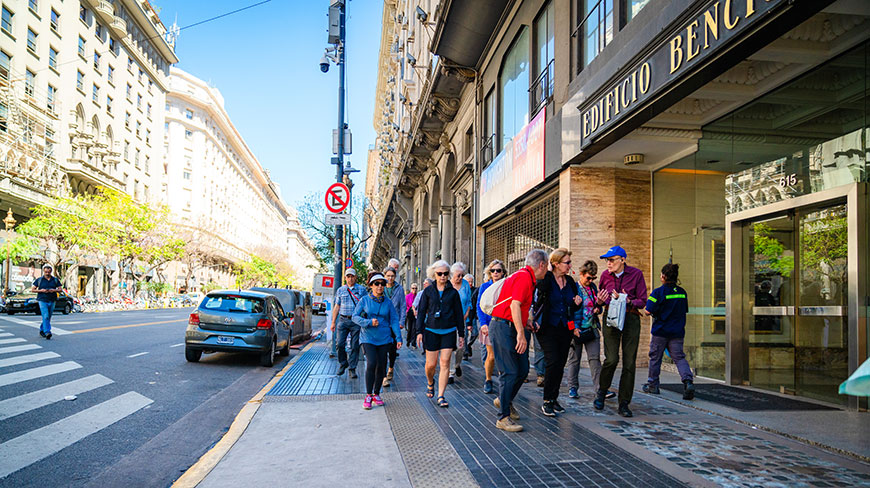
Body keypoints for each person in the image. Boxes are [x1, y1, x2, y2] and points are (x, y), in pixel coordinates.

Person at [490, 249, 549, 432]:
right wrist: (521, 334)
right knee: (509, 371)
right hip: (503, 328)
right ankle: (503, 417)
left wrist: (528, 322)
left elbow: (519, 307)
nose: (547, 269)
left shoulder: (529, 278)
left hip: (510, 326)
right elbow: (514, 305)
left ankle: (503, 400)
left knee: (522, 370)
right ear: (541, 265)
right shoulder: (524, 277)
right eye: (547, 266)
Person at [596, 245, 648, 418]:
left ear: (622, 260)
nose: (608, 264)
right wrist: (600, 301)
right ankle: (602, 392)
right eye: (607, 261)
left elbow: (643, 301)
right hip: (611, 318)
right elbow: (601, 300)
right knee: (611, 359)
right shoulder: (604, 276)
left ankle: (624, 402)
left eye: (611, 260)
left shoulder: (636, 274)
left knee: (629, 362)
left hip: (630, 319)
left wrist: (628, 300)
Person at [533, 248, 582, 417]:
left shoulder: (570, 281)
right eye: (567, 262)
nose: (569, 266)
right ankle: (547, 400)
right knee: (552, 361)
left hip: (564, 328)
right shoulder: (545, 279)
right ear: (555, 264)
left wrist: (577, 303)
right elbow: (536, 301)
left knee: (560, 363)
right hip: (546, 327)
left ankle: (554, 399)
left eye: (569, 262)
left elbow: (573, 305)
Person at [415, 260, 465, 408]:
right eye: (439, 274)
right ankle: (431, 382)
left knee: (445, 363)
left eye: (445, 274)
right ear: (434, 274)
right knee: (431, 365)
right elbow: (421, 312)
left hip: (449, 331)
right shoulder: (428, 291)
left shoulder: (453, 293)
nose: (443, 276)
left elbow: (458, 313)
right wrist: (419, 332)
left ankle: (441, 395)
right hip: (431, 331)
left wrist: (461, 334)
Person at [642, 263, 694, 399]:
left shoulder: (658, 292)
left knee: (655, 358)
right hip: (677, 332)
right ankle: (688, 381)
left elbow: (647, 311)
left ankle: (653, 385)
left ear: (663, 277)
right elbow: (684, 310)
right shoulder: (682, 293)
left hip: (661, 332)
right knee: (679, 357)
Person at [353, 273, 402, 409]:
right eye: (377, 283)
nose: (380, 286)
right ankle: (368, 395)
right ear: (371, 285)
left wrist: (398, 337)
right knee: (372, 363)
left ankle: (376, 393)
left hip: (385, 338)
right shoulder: (364, 300)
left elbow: (394, 320)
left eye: (382, 283)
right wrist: (368, 322)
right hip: (368, 337)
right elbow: (354, 317)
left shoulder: (388, 302)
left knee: (381, 365)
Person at [566, 260, 607, 400]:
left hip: (591, 328)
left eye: (593, 278)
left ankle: (600, 390)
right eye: (588, 277)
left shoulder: (593, 288)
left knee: (595, 359)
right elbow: (567, 311)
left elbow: (597, 307)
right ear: (581, 274)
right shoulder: (573, 288)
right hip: (576, 329)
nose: (590, 280)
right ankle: (572, 387)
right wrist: (573, 328)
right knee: (574, 359)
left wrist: (599, 307)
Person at [331, 268, 367, 379]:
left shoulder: (361, 290)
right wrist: (333, 322)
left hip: (356, 321)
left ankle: (352, 368)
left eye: (352, 276)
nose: (350, 279)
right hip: (343, 320)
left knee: (354, 346)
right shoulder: (341, 290)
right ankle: (343, 363)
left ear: (355, 277)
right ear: (345, 278)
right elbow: (337, 306)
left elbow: (366, 305)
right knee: (340, 344)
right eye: (348, 276)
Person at [477, 259, 505, 394]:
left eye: (498, 270)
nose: (495, 273)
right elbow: (479, 306)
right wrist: (482, 324)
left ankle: (503, 380)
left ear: (503, 272)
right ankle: (488, 379)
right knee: (492, 355)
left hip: (503, 323)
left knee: (503, 355)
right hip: (489, 323)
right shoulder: (484, 287)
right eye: (493, 270)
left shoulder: (506, 285)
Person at [382, 267, 406, 387]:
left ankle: (391, 367)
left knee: (392, 350)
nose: (390, 278)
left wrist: (402, 321)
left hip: (394, 323)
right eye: (388, 276)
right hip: (382, 324)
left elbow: (403, 306)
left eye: (392, 276)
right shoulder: (380, 287)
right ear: (384, 276)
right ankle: (383, 377)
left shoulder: (399, 289)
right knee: (382, 350)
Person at [448, 262, 471, 384]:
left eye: (462, 275)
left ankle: (457, 364)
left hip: (462, 320)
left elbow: (469, 301)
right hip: (449, 320)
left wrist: (466, 313)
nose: (460, 278)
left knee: (461, 347)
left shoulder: (465, 284)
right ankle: (451, 372)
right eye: (458, 275)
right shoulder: (447, 285)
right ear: (452, 275)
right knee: (451, 346)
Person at [32, 264, 62, 340]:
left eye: (48, 272)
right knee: (45, 316)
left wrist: (54, 290)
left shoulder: (55, 280)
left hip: (52, 299)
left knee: (48, 316)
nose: (47, 273)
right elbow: (33, 289)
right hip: (42, 300)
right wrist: (41, 290)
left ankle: (42, 330)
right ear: (43, 271)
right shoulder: (39, 280)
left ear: (51, 271)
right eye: (46, 272)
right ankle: (47, 332)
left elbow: (60, 289)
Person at [464, 274, 478, 359]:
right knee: (464, 335)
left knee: (475, 333)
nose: (470, 283)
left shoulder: (475, 290)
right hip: (464, 316)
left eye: (471, 281)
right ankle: (465, 353)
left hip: (473, 315)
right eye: (468, 282)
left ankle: (469, 345)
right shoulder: (462, 291)